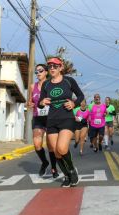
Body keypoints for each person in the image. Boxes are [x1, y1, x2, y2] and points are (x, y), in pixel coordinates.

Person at [38, 57, 84, 187]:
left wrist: (74, 103)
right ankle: (67, 176)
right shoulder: (46, 84)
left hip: (67, 119)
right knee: (55, 151)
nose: (52, 68)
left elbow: (80, 96)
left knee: (62, 148)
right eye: (50, 66)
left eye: (55, 66)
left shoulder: (69, 81)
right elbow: (40, 103)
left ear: (61, 67)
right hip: (52, 120)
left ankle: (72, 170)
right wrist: (42, 102)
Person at [27, 64, 58, 178]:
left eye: (40, 71)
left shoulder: (52, 85)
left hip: (50, 118)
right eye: (36, 71)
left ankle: (54, 167)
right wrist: (30, 104)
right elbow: (29, 102)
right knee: (37, 144)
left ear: (46, 72)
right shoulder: (32, 86)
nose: (38, 73)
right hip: (38, 118)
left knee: (51, 146)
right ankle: (45, 162)